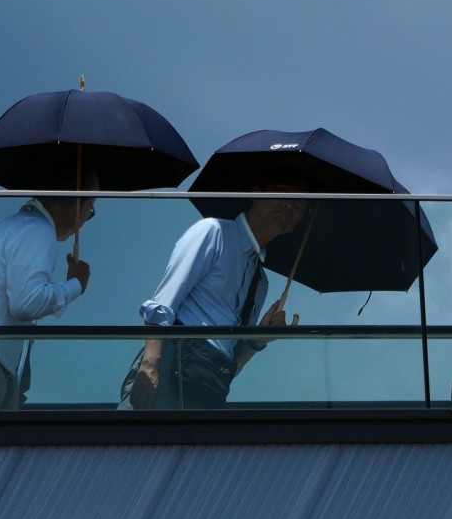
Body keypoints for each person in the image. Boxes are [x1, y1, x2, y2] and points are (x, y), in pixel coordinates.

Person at [119, 169, 310, 409]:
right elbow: (163, 303)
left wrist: (259, 340)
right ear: (255, 194)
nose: (290, 205)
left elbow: (232, 362)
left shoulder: (261, 282)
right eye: (283, 192)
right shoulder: (214, 232)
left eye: (301, 204)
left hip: (208, 384)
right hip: (170, 362)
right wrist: (149, 366)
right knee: (141, 443)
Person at [0, 170, 96, 410]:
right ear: (80, 202)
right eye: (92, 209)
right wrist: (76, 284)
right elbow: (27, 303)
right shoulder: (36, 229)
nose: (87, 217)